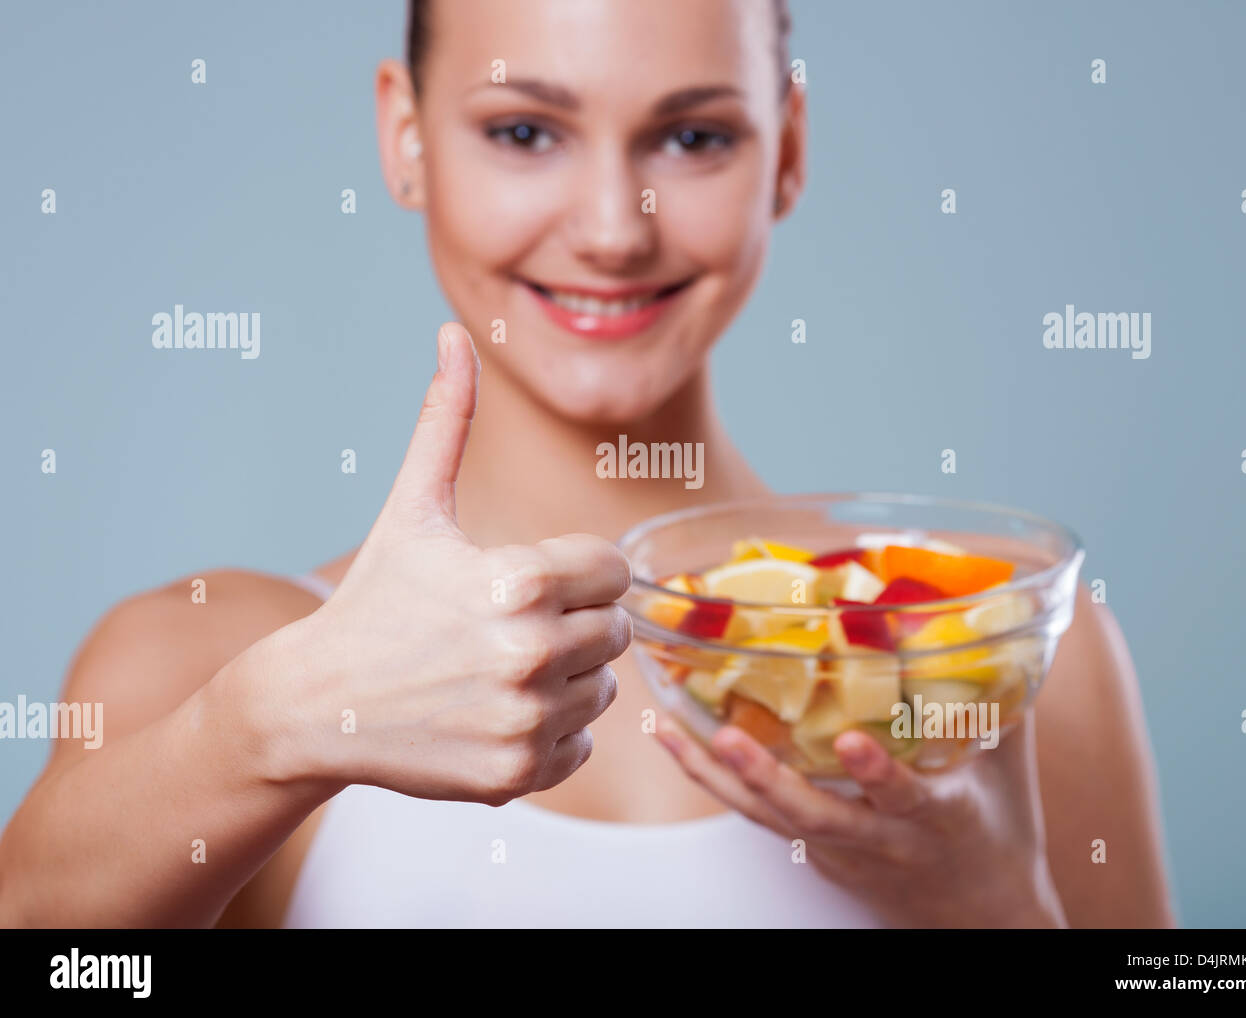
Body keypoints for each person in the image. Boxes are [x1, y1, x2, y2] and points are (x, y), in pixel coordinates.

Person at [0, 0, 1174, 928]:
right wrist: (267, 728)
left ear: (788, 148)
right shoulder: (204, 660)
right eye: (523, 132)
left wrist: (994, 914)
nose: (615, 226)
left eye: (693, 135)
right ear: (404, 137)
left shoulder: (1009, 657)